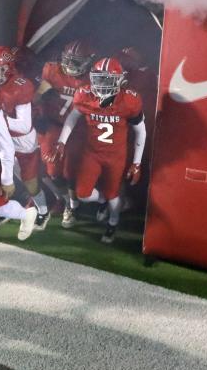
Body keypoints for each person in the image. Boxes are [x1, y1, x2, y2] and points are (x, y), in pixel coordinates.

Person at [52, 57, 146, 243]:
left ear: (119, 81)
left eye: (107, 79)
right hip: (92, 153)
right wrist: (61, 142)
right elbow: (72, 118)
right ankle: (103, 201)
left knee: (113, 194)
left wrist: (137, 162)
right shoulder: (85, 94)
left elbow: (141, 131)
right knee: (83, 194)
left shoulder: (128, 100)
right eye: (98, 78)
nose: (101, 84)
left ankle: (113, 223)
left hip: (116, 156)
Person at [0, 46, 45, 237]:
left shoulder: (20, 85)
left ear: (9, 68)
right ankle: (1, 210)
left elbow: (23, 126)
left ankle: (42, 211)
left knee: (30, 183)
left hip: (22, 142)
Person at [35, 39, 92, 210]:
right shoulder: (53, 70)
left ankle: (73, 204)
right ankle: (66, 201)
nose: (70, 65)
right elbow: (38, 94)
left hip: (79, 131)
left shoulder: (92, 79)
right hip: (52, 126)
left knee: (71, 172)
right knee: (50, 171)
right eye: (67, 59)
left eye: (76, 61)